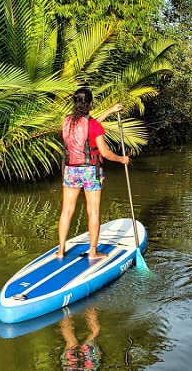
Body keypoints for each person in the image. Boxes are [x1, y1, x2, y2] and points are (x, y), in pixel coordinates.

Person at [58, 87, 129, 260]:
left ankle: (60, 251)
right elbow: (104, 153)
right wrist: (122, 159)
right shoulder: (93, 125)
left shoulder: (67, 121)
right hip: (90, 170)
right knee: (94, 212)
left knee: (66, 211)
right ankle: (93, 252)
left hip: (71, 170)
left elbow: (89, 126)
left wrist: (110, 111)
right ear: (90, 104)